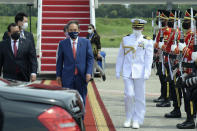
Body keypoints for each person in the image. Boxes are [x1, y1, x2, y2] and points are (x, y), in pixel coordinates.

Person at [116, 18, 153, 129]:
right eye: (135, 28)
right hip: (127, 71)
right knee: (129, 95)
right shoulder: (125, 39)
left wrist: (147, 72)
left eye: (139, 28)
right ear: (132, 27)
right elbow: (120, 56)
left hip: (140, 72)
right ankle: (128, 117)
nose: (137, 30)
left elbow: (148, 58)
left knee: (139, 97)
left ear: (143, 28)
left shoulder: (147, 41)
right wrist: (118, 70)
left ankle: (137, 119)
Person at [56, 20, 94, 106]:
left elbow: (90, 59)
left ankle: (81, 119)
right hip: (67, 77)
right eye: (71, 30)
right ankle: (70, 119)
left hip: (82, 76)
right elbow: (60, 61)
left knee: (81, 99)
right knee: (67, 100)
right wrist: (58, 75)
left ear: (79, 30)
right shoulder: (62, 44)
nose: (73, 32)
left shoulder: (86, 42)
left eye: (75, 30)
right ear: (67, 31)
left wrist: (88, 72)